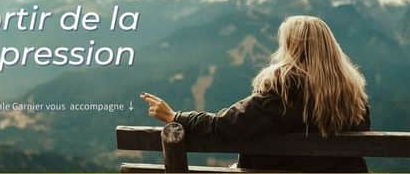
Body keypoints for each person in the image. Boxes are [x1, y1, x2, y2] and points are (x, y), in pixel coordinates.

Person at [141, 15, 370, 172]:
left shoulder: (282, 92)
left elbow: (225, 126)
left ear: (291, 48)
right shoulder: (353, 98)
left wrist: (176, 117)